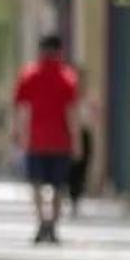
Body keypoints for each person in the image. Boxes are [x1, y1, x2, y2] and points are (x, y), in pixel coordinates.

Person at [14, 35, 80, 244]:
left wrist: (21, 134)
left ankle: (42, 221)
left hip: (36, 139)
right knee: (59, 186)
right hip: (61, 140)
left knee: (36, 184)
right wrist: (76, 139)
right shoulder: (67, 77)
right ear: (60, 51)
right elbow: (72, 112)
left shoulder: (29, 75)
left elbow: (24, 109)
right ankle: (53, 225)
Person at [68, 71, 99, 217]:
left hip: (85, 134)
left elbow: (96, 116)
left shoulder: (89, 98)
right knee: (71, 169)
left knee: (83, 167)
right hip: (70, 135)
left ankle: (77, 198)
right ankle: (72, 195)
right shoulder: (69, 96)